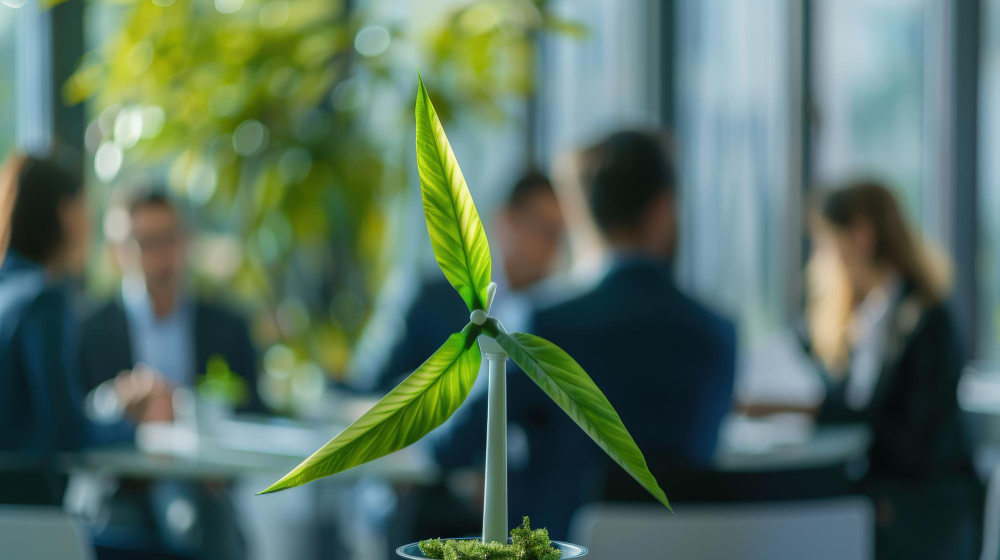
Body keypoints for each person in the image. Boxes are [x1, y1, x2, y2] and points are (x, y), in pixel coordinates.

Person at [439, 131, 737, 539]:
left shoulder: (543, 325)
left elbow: (451, 445)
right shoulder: (718, 335)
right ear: (663, 211)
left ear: (581, 212)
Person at [805, 181, 983, 560]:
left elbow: (911, 430)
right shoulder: (873, 317)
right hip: (896, 501)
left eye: (828, 244)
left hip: (927, 509)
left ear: (860, 236)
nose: (823, 261)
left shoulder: (925, 318)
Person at [0, 154, 159, 504]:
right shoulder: (44, 300)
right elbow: (66, 433)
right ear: (66, 213)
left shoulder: (7, 289)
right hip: (28, 513)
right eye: (86, 209)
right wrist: (129, 422)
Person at [363, 170, 565, 393]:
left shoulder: (556, 323)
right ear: (505, 220)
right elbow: (371, 390)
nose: (550, 245)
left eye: (558, 234)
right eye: (541, 228)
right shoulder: (430, 298)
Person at [79, 190, 263, 412]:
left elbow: (254, 414)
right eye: (147, 242)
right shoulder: (87, 333)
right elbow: (73, 416)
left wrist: (188, 405)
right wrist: (114, 403)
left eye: (170, 238)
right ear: (118, 252)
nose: (162, 254)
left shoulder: (230, 331)